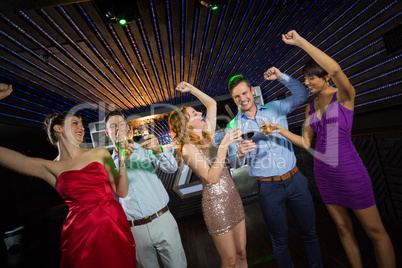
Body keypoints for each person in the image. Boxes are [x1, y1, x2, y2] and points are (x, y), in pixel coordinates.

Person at [264, 30, 396, 268]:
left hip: (349, 169)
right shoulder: (311, 106)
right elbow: (306, 142)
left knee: (375, 231)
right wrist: (279, 130)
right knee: (343, 229)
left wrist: (301, 42)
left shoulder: (345, 95)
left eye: (310, 78)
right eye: (304, 79)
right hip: (323, 173)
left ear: (324, 77)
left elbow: (336, 69)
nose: (306, 83)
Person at [0, 83, 136, 267]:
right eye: (75, 123)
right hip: (80, 234)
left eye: (81, 124)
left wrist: (123, 162)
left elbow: (122, 192)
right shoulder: (49, 167)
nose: (82, 127)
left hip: (113, 226)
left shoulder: (99, 152)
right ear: (58, 128)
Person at [226, 67, 323, 268]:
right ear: (233, 99)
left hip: (295, 180)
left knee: (310, 233)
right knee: (279, 241)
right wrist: (240, 153)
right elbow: (233, 164)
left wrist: (281, 76)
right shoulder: (233, 127)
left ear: (252, 91)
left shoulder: (275, 108)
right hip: (268, 188)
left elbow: (303, 94)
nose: (242, 98)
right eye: (237, 96)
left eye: (244, 92)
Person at [168, 82, 247, 268]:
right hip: (216, 205)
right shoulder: (187, 148)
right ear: (186, 125)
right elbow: (212, 177)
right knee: (230, 261)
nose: (199, 113)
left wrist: (192, 89)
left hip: (233, 196)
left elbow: (211, 104)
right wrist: (224, 147)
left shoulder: (206, 134)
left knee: (242, 253)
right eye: (193, 114)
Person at [104, 110, 187, 268]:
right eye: (113, 126)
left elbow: (172, 167)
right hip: (135, 229)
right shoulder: (106, 163)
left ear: (128, 128)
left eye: (121, 124)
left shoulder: (143, 147)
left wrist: (158, 150)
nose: (118, 129)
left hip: (162, 219)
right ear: (108, 133)